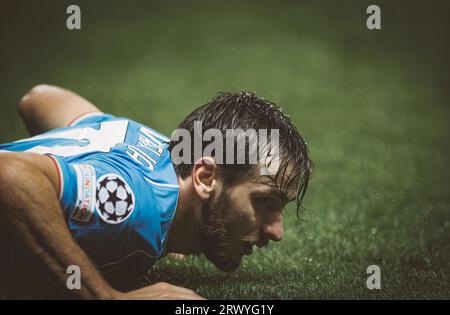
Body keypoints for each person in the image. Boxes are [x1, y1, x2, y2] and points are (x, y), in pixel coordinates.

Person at [0, 85, 312, 299]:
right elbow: (9, 176)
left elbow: (38, 98)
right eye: (264, 201)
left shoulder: (158, 150)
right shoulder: (132, 205)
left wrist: (182, 223)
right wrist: (105, 296)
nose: (277, 231)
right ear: (204, 178)